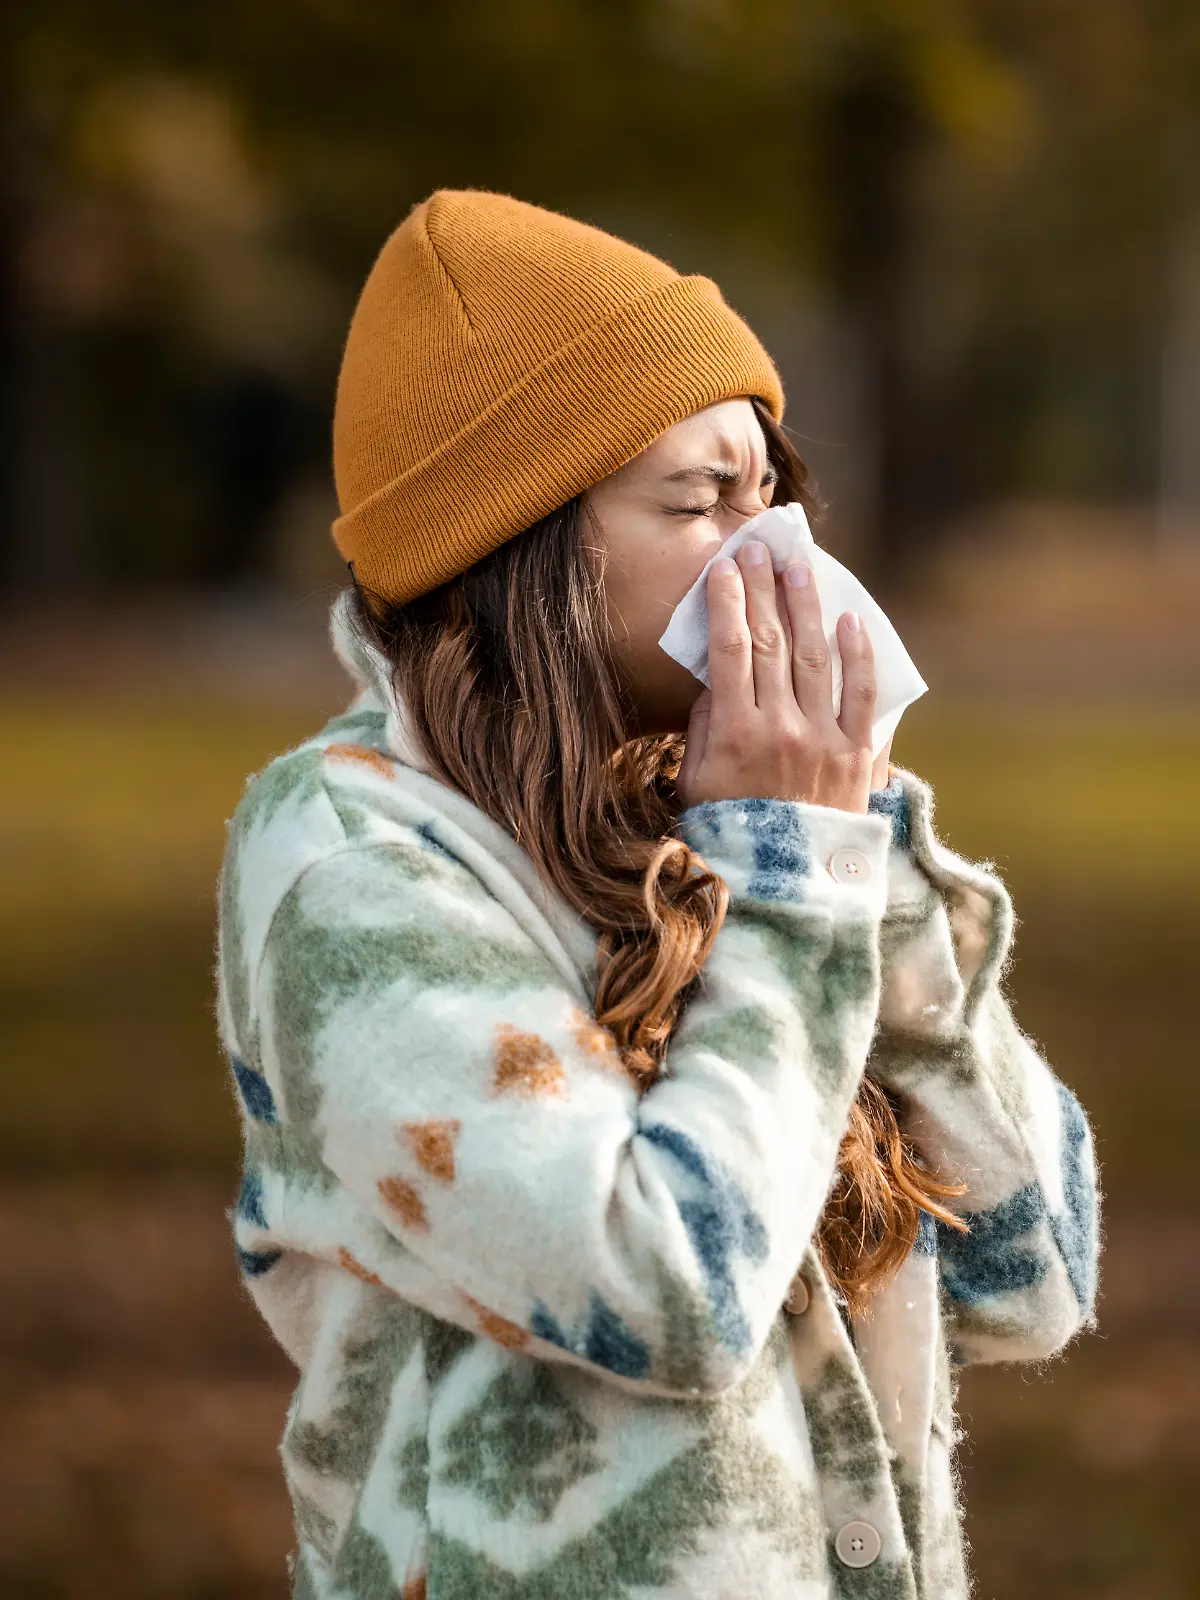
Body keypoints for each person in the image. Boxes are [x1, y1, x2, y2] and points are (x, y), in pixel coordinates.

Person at [215, 189, 1100, 1600]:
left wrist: (859, 852)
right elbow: (665, 1289)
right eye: (699, 502)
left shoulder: (717, 823)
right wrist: (794, 874)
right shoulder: (350, 864)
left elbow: (1028, 1274)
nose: (778, 562)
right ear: (519, 552)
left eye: (773, 496)